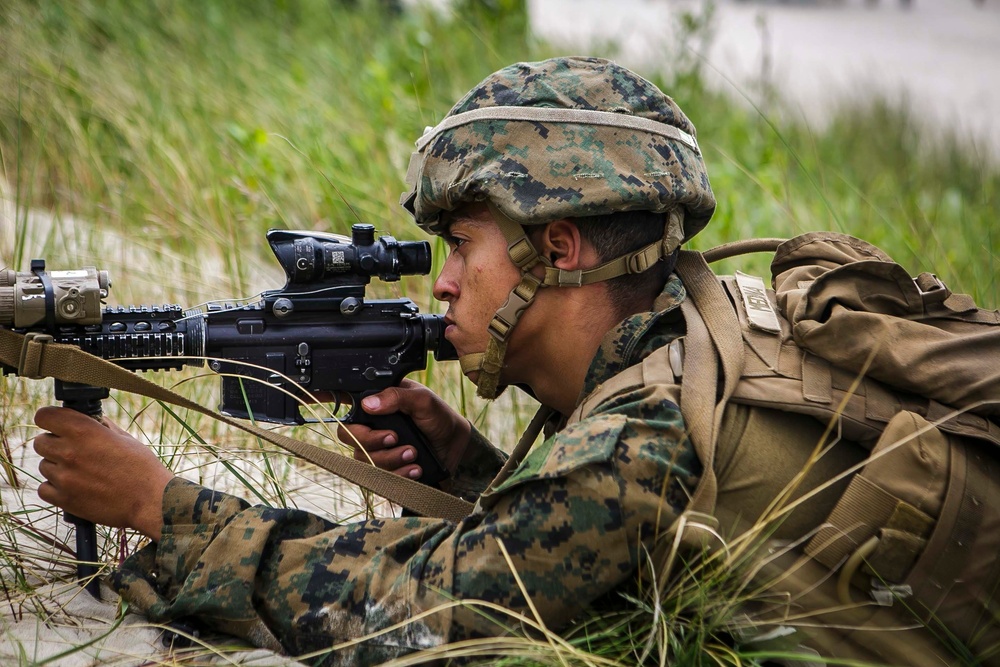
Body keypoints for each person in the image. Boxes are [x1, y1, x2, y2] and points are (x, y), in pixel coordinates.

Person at [29, 57, 992, 666]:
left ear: (557, 249)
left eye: (464, 244)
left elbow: (421, 613)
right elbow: (596, 546)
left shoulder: (643, 434)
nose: (445, 284)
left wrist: (162, 504)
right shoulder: (698, 328)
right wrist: (467, 469)